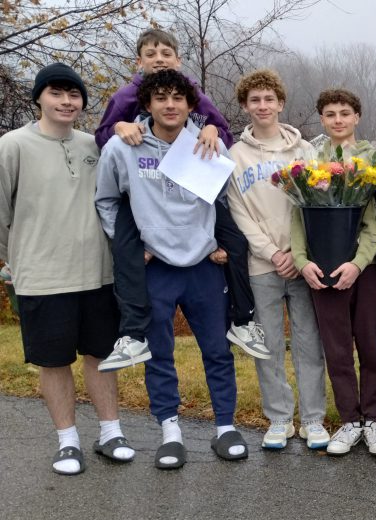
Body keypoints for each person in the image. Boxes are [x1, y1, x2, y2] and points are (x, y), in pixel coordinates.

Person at [95, 69, 247, 468]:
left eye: (178, 98)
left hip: (203, 267)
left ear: (190, 105)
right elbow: (107, 201)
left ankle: (225, 428)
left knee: (217, 350)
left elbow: (228, 201)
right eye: (160, 97)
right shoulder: (123, 146)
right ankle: (170, 431)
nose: (170, 104)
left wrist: (220, 243)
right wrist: (130, 248)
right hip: (155, 269)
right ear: (147, 104)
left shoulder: (207, 144)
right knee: (158, 353)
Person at [94, 28, 269, 371]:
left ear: (179, 60)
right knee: (127, 248)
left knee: (235, 239)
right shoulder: (126, 95)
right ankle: (132, 335)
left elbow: (221, 131)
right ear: (139, 62)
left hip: (195, 185)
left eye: (166, 54)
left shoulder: (191, 91)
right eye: (151, 54)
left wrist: (211, 130)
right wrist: (118, 128)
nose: (159, 60)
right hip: (143, 190)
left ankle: (243, 320)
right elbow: (101, 136)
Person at [0, 63, 131, 475]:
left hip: (97, 273)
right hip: (42, 276)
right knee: (53, 361)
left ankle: (111, 433)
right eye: (57, 93)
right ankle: (68, 441)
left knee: (101, 354)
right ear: (39, 97)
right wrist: (18, 258)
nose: (66, 101)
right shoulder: (12, 145)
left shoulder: (95, 145)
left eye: (74, 95)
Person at [226, 69, 328, 451]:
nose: (263, 105)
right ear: (245, 106)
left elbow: (316, 205)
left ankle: (314, 419)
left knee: (308, 342)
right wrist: (271, 252)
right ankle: (280, 418)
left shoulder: (306, 152)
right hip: (261, 266)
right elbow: (238, 213)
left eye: (269, 99)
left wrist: (296, 254)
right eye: (255, 100)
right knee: (267, 344)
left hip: (302, 265)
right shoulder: (234, 156)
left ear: (281, 103)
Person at [292, 88, 376, 458]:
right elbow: (297, 216)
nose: (338, 119)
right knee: (336, 349)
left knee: (369, 344)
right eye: (330, 113)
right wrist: (302, 262)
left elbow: (374, 222)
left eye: (344, 113)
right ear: (321, 118)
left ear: (356, 117)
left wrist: (359, 262)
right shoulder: (308, 163)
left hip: (364, 269)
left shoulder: (374, 161)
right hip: (323, 269)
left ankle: (373, 420)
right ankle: (349, 420)